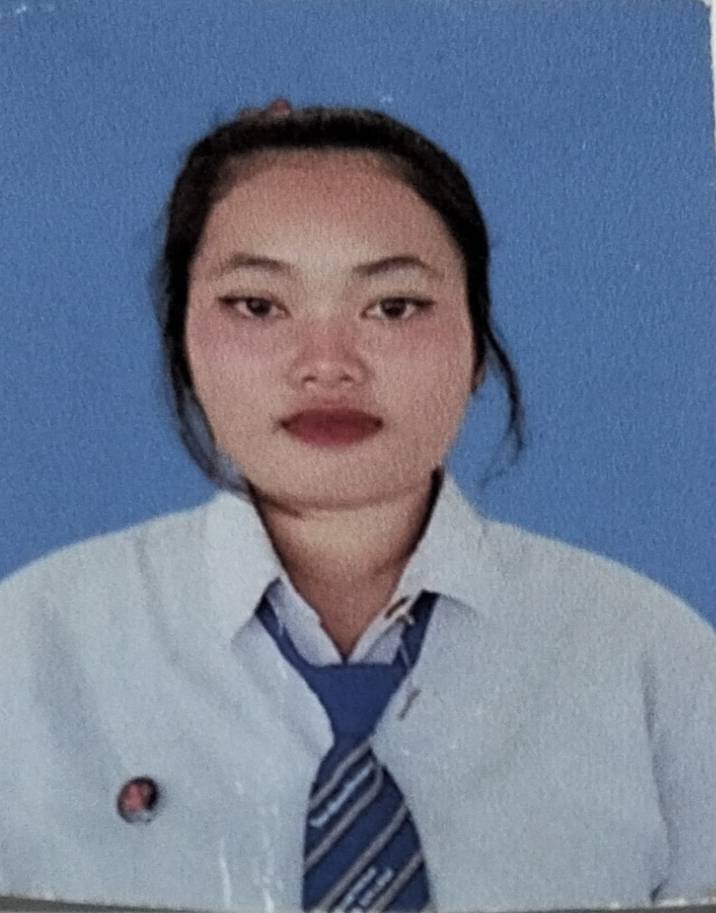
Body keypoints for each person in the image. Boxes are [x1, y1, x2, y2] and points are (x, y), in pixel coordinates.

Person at [0, 98, 714, 913]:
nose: (327, 364)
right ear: (183, 345)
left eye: (393, 306)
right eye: (258, 305)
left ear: (478, 345)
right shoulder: (29, 649)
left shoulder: (653, 661)